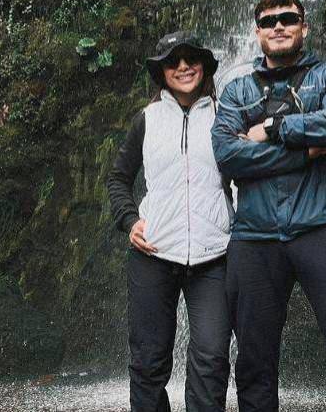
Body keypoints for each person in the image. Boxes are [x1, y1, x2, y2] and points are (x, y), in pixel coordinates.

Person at [211, 0, 326, 411]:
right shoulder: (238, 90)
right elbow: (227, 154)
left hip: (325, 226)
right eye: (269, 20)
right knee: (254, 367)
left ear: (303, 27)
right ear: (257, 32)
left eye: (288, 18)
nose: (279, 25)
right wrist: (308, 149)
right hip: (255, 235)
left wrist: (272, 127)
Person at [106, 31, 233, 412]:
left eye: (190, 59)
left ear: (204, 66)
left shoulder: (225, 116)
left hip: (215, 256)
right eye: (173, 61)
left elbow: (245, 175)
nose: (183, 67)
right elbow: (118, 178)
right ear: (161, 72)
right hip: (153, 254)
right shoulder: (146, 119)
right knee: (148, 359)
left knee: (211, 357)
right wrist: (129, 221)